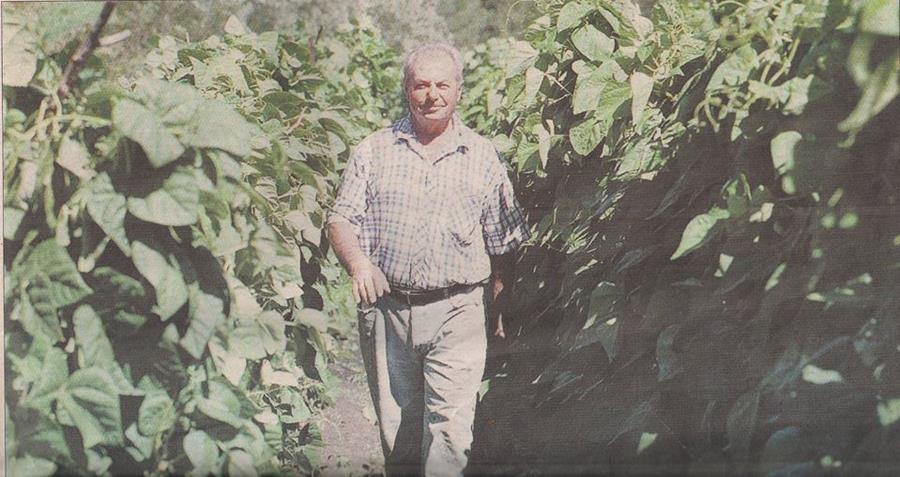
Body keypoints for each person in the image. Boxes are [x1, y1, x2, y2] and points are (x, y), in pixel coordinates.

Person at [325, 42, 529, 476]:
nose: (431, 95)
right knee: (398, 435)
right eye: (421, 85)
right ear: (407, 90)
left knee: (450, 434)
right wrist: (359, 264)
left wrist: (499, 305)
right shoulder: (375, 150)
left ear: (458, 90)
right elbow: (340, 219)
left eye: (442, 85)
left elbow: (505, 243)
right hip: (389, 310)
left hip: (459, 309)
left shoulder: (482, 156)